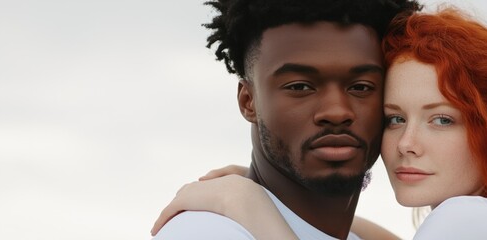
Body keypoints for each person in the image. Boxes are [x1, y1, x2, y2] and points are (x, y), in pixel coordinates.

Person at [154, 6, 487, 240]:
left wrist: (248, 204)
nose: (407, 143)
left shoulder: (471, 219)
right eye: (394, 119)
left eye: (442, 119)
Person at [151, 0, 422, 239]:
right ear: (249, 101)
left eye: (361, 87)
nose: (337, 112)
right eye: (300, 87)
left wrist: (249, 199)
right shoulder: (208, 233)